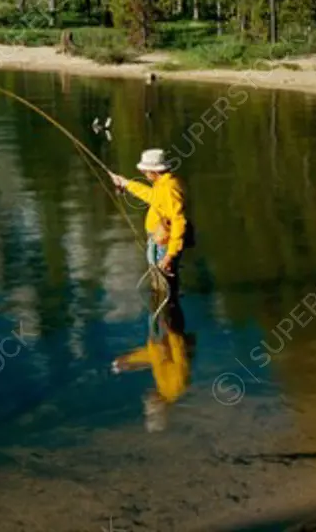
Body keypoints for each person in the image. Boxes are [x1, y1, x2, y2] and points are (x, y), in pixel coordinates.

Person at [112, 297, 195, 433]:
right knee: (163, 296)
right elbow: (179, 357)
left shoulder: (163, 389)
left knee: (156, 298)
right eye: (149, 405)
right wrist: (170, 331)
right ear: (160, 407)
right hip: (169, 335)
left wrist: (129, 360)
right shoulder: (176, 388)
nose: (147, 399)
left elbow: (155, 358)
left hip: (160, 339)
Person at [109, 148, 188, 282]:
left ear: (155, 171)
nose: (143, 173)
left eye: (145, 171)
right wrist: (126, 183)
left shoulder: (168, 189)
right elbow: (150, 195)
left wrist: (170, 255)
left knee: (163, 284)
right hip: (158, 241)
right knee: (159, 281)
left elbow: (179, 222)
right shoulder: (164, 184)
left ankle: (166, 299)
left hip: (163, 246)